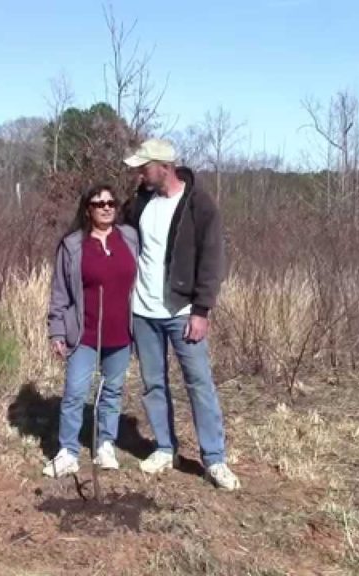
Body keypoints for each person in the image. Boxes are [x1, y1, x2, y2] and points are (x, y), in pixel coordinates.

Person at [122, 138, 241, 491]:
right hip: (143, 311)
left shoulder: (199, 205)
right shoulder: (140, 201)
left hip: (182, 311)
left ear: (165, 167)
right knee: (153, 383)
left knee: (199, 384)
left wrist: (201, 310)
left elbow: (212, 260)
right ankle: (164, 447)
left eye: (144, 167)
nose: (139, 173)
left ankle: (215, 459)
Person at [44, 184, 140, 477]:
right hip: (83, 334)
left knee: (111, 391)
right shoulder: (73, 245)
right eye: (99, 204)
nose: (107, 207)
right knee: (75, 392)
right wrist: (57, 331)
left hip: (121, 333)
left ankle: (104, 445)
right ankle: (68, 452)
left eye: (111, 202)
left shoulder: (130, 238)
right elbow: (60, 292)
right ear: (88, 209)